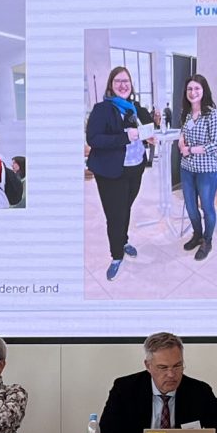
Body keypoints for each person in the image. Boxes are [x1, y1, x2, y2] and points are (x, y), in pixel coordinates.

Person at [86, 65, 155, 280]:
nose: (123, 85)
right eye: (118, 81)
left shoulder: (135, 108)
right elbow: (93, 139)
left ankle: (123, 241)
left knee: (125, 209)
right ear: (111, 85)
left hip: (135, 168)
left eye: (126, 81)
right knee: (115, 215)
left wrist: (149, 136)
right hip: (111, 172)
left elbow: (148, 128)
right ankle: (116, 256)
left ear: (131, 85)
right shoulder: (102, 109)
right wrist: (125, 137)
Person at [177, 72, 217, 261]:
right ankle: (197, 235)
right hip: (187, 168)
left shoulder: (211, 114)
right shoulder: (187, 114)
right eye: (189, 89)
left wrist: (190, 149)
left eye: (197, 88)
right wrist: (181, 141)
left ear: (204, 91)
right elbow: (183, 133)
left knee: (206, 207)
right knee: (190, 206)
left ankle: (207, 240)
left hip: (207, 171)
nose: (193, 92)